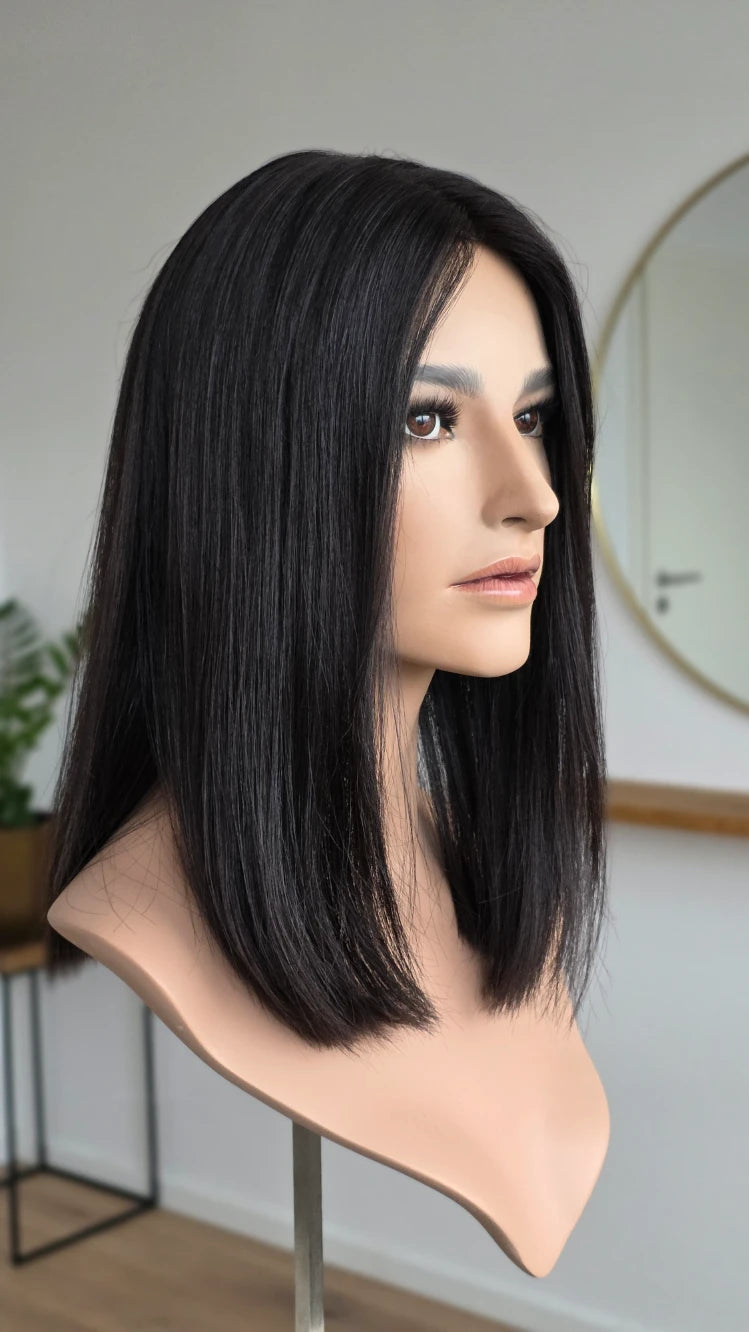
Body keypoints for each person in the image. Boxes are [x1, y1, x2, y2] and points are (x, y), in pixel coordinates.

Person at [46, 149, 611, 1276]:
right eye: (426, 419)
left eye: (533, 416)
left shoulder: (489, 885)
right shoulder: (146, 910)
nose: (535, 495)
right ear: (252, 463)